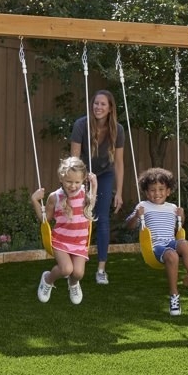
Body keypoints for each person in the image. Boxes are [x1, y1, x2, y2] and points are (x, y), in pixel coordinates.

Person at [126, 167, 188, 316]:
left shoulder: (173, 208)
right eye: (153, 190)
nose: (157, 193)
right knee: (172, 255)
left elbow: (178, 227)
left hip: (171, 241)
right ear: (147, 192)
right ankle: (174, 296)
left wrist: (182, 216)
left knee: (183, 243)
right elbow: (129, 226)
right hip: (155, 247)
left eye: (161, 189)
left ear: (168, 191)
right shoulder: (143, 206)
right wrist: (136, 216)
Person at [71, 89, 124, 286]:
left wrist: (118, 191)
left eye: (103, 104)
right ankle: (74, 264)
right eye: (96, 103)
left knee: (102, 219)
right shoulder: (81, 125)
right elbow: (74, 159)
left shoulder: (117, 129)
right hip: (82, 173)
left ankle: (101, 269)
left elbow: (118, 163)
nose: (98, 107)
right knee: (80, 217)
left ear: (110, 109)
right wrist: (76, 185)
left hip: (105, 174)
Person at [31, 157, 97, 305]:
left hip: (79, 241)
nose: (73, 186)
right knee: (66, 269)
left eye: (77, 182)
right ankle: (48, 279)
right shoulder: (55, 197)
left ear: (83, 180)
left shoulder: (85, 193)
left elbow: (90, 206)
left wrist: (95, 185)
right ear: (61, 177)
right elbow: (45, 219)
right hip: (60, 240)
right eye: (69, 181)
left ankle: (73, 284)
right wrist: (35, 200)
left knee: (78, 273)